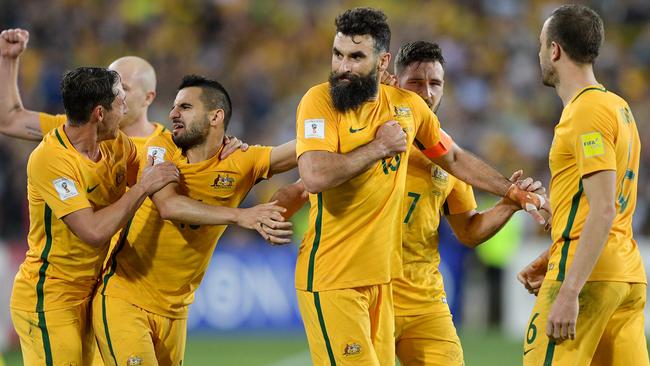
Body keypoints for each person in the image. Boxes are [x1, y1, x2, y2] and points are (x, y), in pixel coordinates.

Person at [294, 7, 547, 365]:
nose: (344, 67)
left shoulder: (409, 111)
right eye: (338, 55)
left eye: (356, 57)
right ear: (392, 74)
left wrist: (511, 193)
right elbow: (315, 175)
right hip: (335, 275)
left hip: (397, 287)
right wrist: (379, 147)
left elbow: (455, 160)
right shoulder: (319, 101)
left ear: (380, 62)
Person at [93, 75, 297, 365]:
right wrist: (241, 216)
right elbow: (168, 205)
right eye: (174, 106)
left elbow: (303, 149)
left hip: (175, 313)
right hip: (124, 299)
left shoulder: (240, 161)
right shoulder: (161, 145)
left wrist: (354, 120)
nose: (173, 114)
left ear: (216, 117)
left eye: (185, 107)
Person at [9, 66, 179, 365]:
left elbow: (151, 174)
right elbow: (92, 231)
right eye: (120, 101)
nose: (125, 107)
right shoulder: (52, 160)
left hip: (93, 290)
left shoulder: (115, 143)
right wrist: (141, 188)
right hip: (50, 298)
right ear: (100, 113)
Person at [387, 40, 543, 366]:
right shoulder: (370, 132)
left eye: (435, 84)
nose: (427, 93)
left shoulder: (449, 160)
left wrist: (507, 205)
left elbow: (469, 231)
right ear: (394, 82)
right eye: (415, 82)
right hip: (369, 292)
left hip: (424, 299)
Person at [518, 4, 647, 365]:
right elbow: (602, 205)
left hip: (587, 279)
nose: (540, 52)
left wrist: (569, 288)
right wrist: (551, 237)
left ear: (555, 50)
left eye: (542, 44)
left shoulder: (585, 113)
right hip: (625, 278)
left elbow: (604, 208)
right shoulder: (618, 106)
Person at [0, 28, 243, 159]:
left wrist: (228, 149)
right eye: (109, 87)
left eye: (123, 89)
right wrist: (8, 60)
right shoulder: (81, 129)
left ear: (149, 97)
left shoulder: (172, 147)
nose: (112, 96)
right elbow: (9, 120)